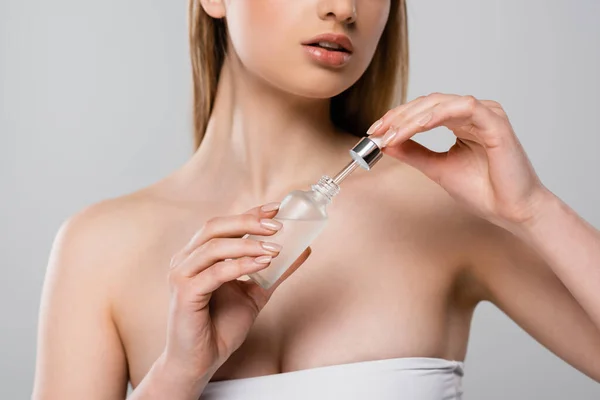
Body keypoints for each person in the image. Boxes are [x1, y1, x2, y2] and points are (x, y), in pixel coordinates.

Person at [32, 1, 600, 399]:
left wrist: (533, 210)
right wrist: (178, 376)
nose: (344, 7)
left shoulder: (445, 211)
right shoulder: (98, 247)